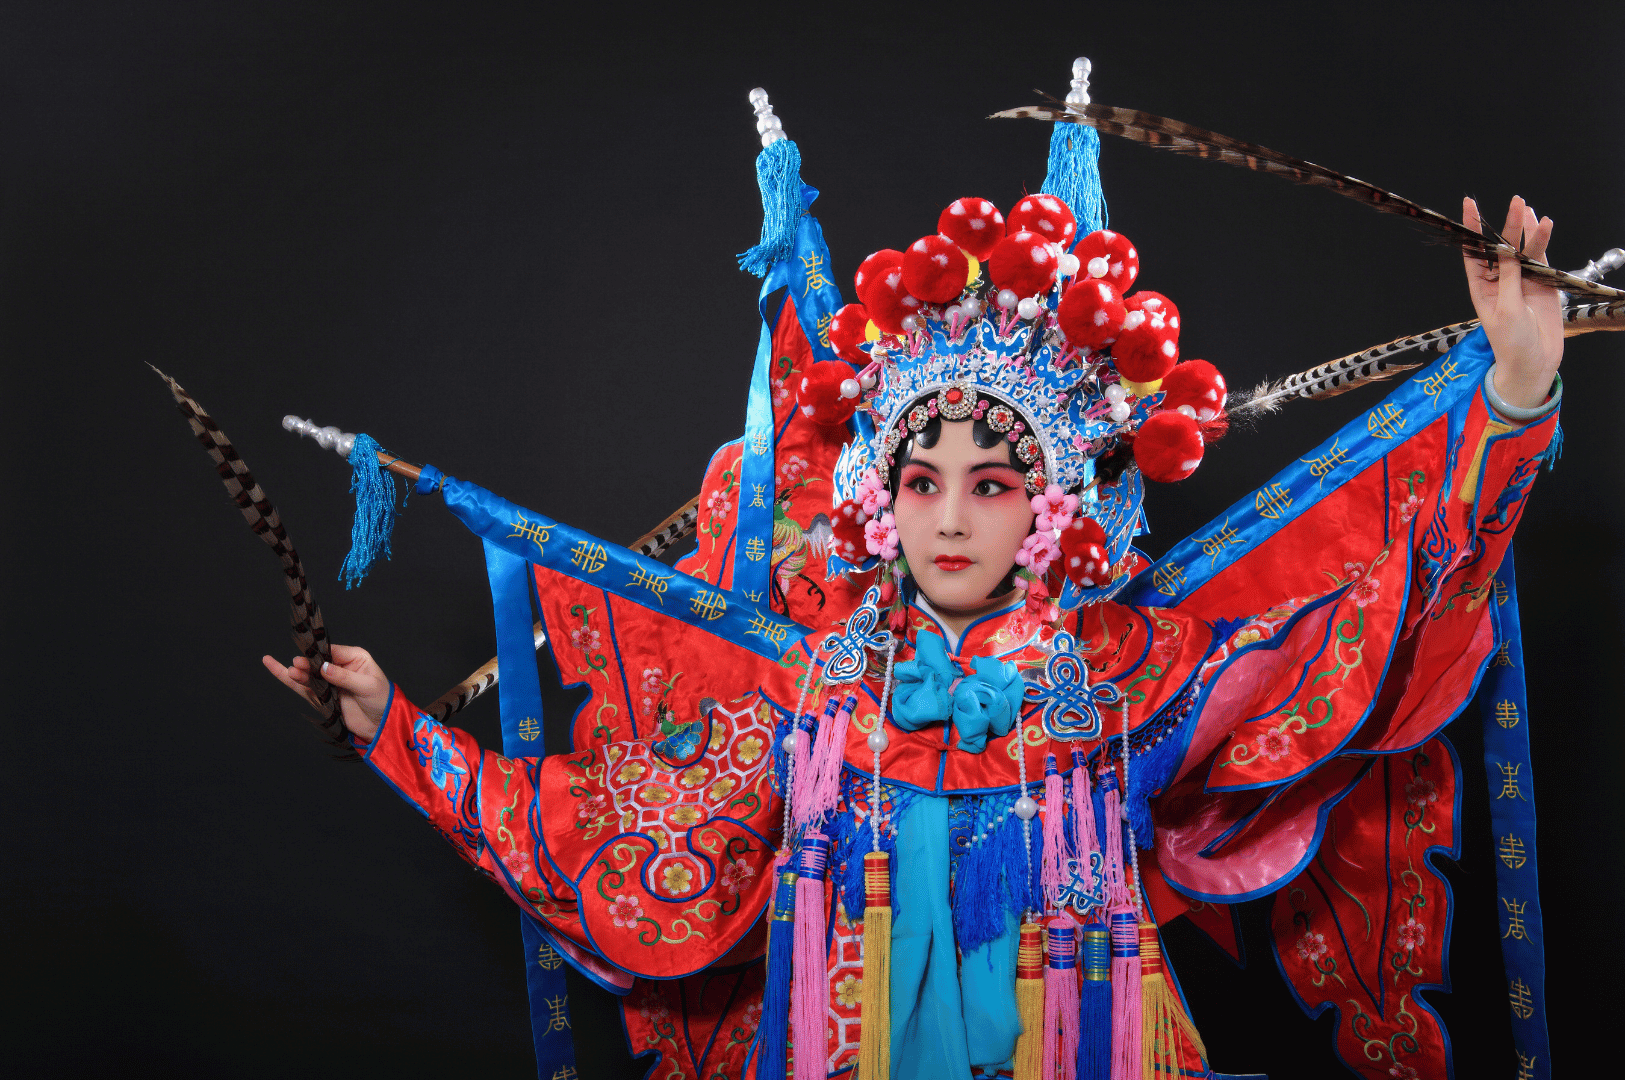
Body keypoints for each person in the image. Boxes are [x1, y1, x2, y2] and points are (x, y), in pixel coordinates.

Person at [264, 122, 1561, 1078]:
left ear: (1050, 500)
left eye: (991, 483)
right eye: (921, 480)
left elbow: (1374, 612)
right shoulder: (813, 681)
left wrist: (1509, 405)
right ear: (876, 498)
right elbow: (617, 831)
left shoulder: (1118, 675)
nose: (950, 516)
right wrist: (398, 733)